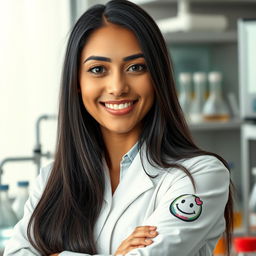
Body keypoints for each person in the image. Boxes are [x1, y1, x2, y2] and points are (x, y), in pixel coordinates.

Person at [4, 0, 233, 255]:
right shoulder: (52, 180)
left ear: (158, 76)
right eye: (98, 69)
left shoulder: (199, 175)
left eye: (136, 67)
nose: (117, 87)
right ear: (76, 82)